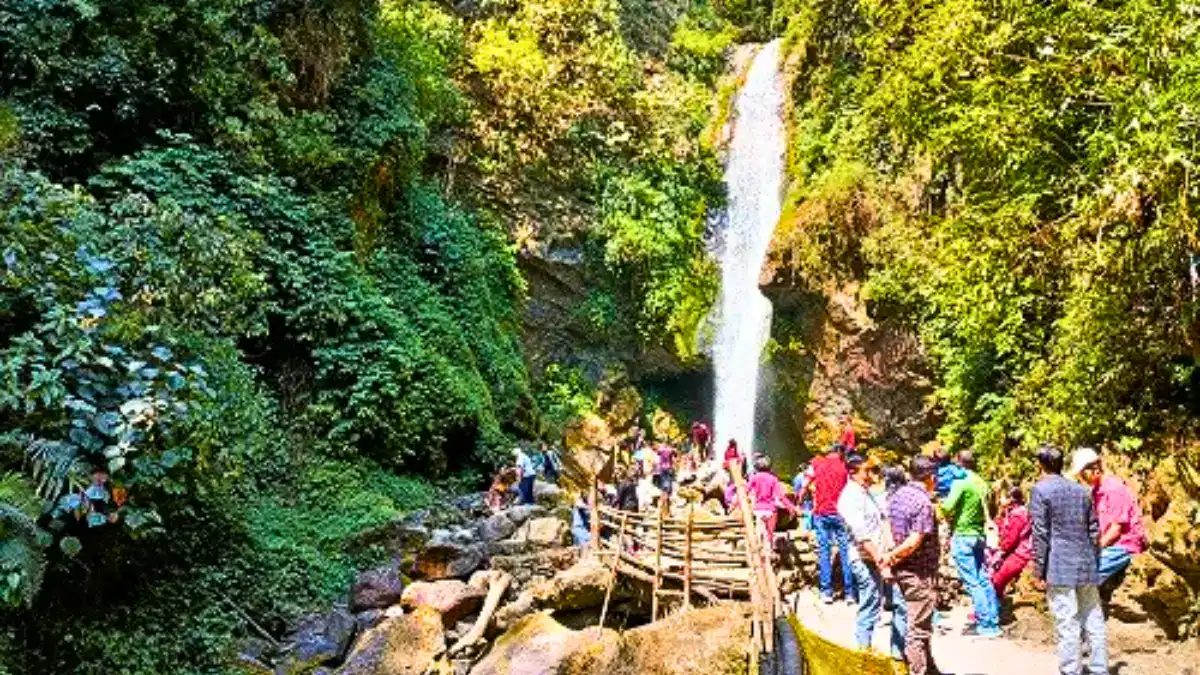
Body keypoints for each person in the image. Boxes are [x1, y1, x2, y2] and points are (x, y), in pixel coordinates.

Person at [1030, 446, 1106, 675]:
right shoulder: (1081, 491)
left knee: (1067, 622)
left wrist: (1037, 571)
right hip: (1086, 563)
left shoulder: (1040, 490)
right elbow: (1094, 530)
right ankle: (1099, 669)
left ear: (1039, 465)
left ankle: (1070, 670)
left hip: (1059, 564)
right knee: (1093, 619)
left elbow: (1041, 534)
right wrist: (1095, 561)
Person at [838, 453, 907, 659]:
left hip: (881, 557)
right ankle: (864, 654)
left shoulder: (864, 492)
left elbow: (881, 521)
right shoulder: (850, 497)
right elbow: (862, 536)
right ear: (852, 472)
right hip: (865, 558)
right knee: (871, 605)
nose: (871, 475)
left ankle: (897, 652)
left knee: (898, 603)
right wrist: (881, 562)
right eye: (866, 471)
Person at [882, 455, 942, 675]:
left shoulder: (897, 496)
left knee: (922, 624)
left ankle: (931, 670)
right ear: (931, 478)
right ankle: (918, 671)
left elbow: (888, 528)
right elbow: (914, 541)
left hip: (904, 570)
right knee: (918, 630)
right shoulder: (923, 502)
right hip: (920, 572)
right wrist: (890, 557)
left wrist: (891, 559)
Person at [1069, 447, 1147, 601]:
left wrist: (1093, 549)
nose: (1081, 479)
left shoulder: (1114, 489)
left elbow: (1115, 531)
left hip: (1125, 544)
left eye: (1082, 474)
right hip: (1109, 544)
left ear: (1095, 469)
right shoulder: (1096, 491)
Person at [939, 450, 1001, 638]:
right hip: (979, 535)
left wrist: (939, 505)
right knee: (983, 578)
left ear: (958, 462)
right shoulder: (982, 483)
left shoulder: (961, 483)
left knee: (972, 581)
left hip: (963, 535)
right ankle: (993, 619)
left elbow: (947, 507)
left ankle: (985, 624)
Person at [803, 444, 856, 604]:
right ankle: (849, 593)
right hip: (841, 513)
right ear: (840, 453)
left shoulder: (817, 463)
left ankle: (826, 592)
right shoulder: (845, 466)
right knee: (845, 551)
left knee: (824, 551)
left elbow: (806, 484)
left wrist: (800, 501)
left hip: (822, 512)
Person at [991, 485, 1033, 599]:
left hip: (1020, 553)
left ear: (1011, 499)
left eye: (1002, 497)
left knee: (996, 580)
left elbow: (1011, 539)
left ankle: (993, 610)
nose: (1000, 500)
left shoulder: (1017, 514)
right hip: (1019, 551)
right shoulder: (1015, 512)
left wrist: (1001, 551)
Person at [746, 455, 791, 544]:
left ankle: (760, 552)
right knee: (769, 534)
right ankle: (768, 552)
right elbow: (781, 497)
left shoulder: (754, 478)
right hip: (771, 510)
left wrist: (734, 505)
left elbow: (745, 492)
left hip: (758, 510)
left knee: (759, 534)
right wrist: (791, 507)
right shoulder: (773, 479)